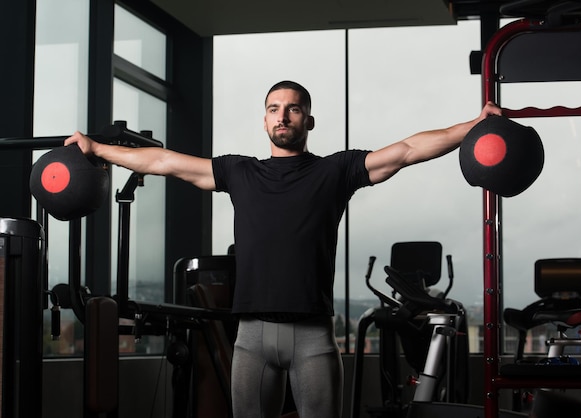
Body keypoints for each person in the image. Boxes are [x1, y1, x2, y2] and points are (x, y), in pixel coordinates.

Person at [65, 80, 501, 418]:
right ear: (265, 120)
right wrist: (97, 149)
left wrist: (473, 127)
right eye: (274, 108)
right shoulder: (240, 172)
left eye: (293, 108)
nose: (283, 115)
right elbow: (163, 162)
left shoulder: (336, 171)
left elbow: (406, 150)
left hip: (313, 336)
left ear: (308, 120)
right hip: (251, 337)